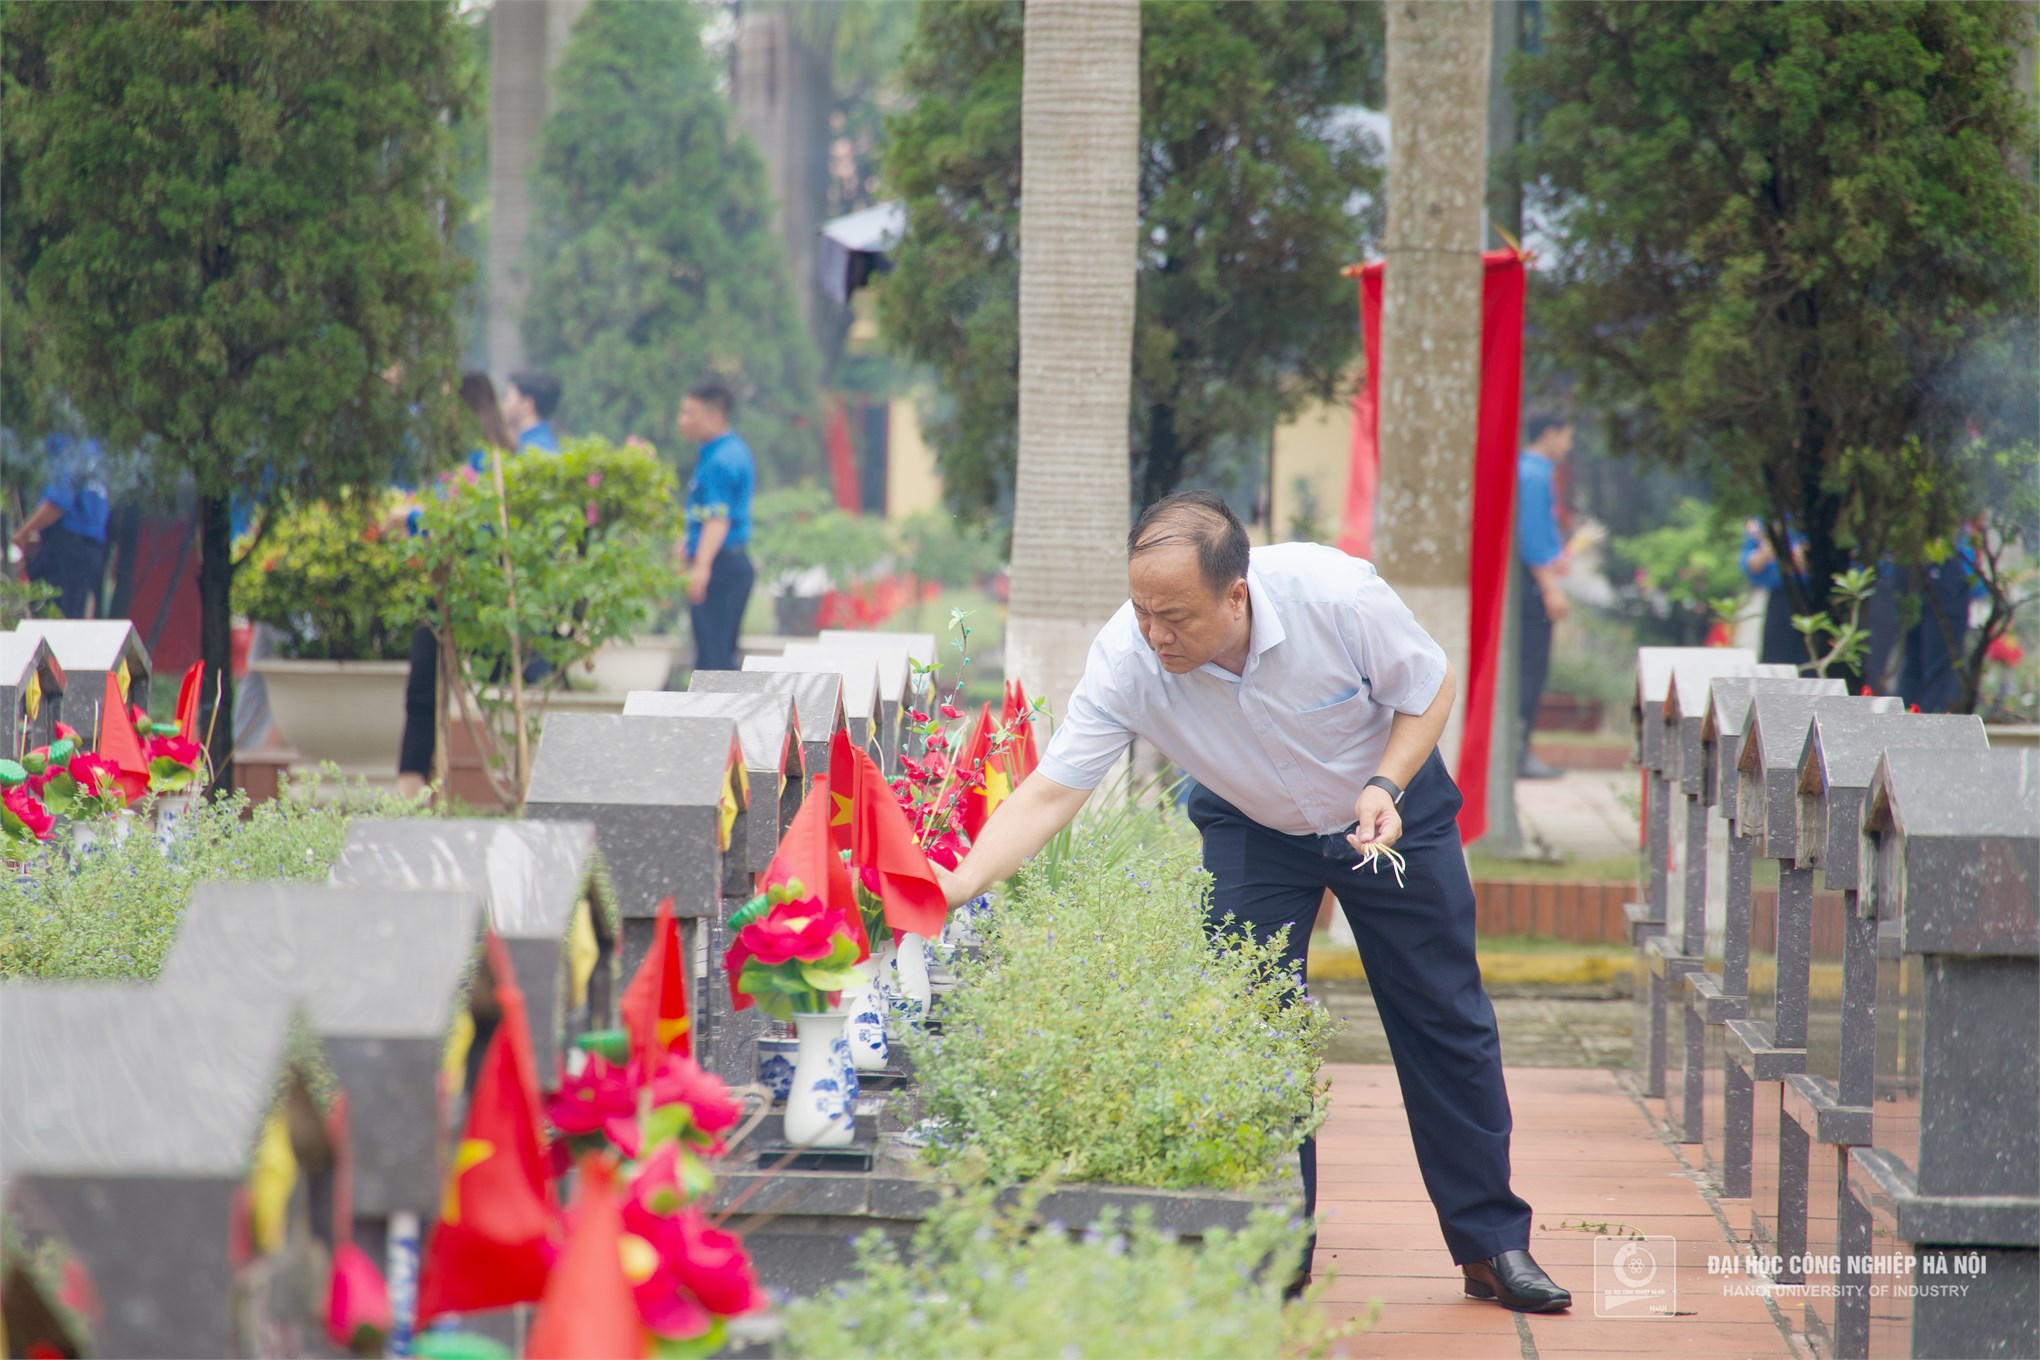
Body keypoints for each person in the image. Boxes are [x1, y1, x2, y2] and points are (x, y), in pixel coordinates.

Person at [933, 491, 1570, 1313]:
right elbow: (1054, 793)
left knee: (1443, 1015)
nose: (1156, 634)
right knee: (1251, 1027)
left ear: (1236, 593)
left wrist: (1386, 781)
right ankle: (1273, 1246)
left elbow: (1430, 687)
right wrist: (958, 885)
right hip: (1250, 825)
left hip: (1389, 810)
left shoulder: (1333, 596)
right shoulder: (1127, 656)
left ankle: (1491, 1244)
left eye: (1175, 616)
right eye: (1141, 610)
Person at [397, 372, 519, 799]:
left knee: (426, 690)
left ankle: (415, 784)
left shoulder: (483, 460)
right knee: (428, 689)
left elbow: (456, 516)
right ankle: (412, 784)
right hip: (458, 587)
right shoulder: (480, 455)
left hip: (462, 588)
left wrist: (409, 518)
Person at [678, 376, 756, 672]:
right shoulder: (726, 450)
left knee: (715, 664)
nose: (682, 420)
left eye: (689, 413)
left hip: (721, 568)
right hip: (727, 564)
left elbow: (718, 518)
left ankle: (722, 719)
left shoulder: (720, 460)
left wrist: (701, 565)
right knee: (715, 656)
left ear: (714, 415)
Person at [1516, 414, 1573, 780]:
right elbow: (1532, 539)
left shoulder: (1524, 469)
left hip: (1527, 581)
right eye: (1567, 436)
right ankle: (1519, 752)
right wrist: (1550, 586)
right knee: (1530, 670)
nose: (1568, 446)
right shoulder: (1535, 474)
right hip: (1531, 585)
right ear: (1550, 434)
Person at [11, 434, 111, 618]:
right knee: (72, 621)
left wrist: (22, 534)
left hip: (66, 555)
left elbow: (59, 501)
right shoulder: (94, 449)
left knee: (50, 622)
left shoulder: (67, 443)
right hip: (90, 552)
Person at [500, 370, 562, 455]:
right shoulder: (548, 445)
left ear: (527, 405)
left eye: (507, 398)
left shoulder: (532, 452)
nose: (502, 405)